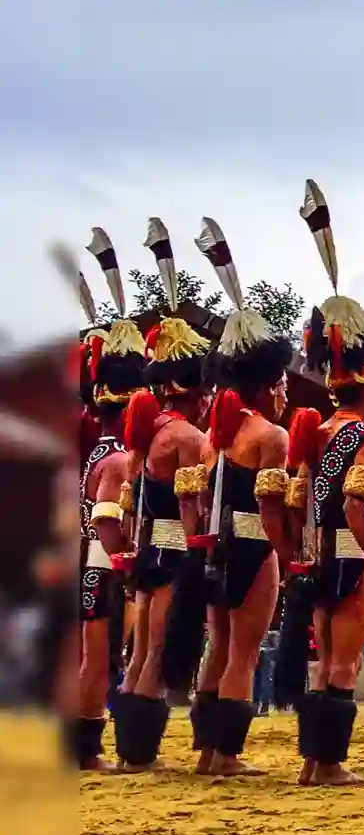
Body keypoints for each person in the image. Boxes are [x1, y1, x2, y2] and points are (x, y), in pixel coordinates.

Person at [285, 179, 364, 786]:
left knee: (323, 659)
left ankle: (310, 762)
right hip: (351, 558)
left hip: (314, 557)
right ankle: (329, 765)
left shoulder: (315, 432)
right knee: (344, 662)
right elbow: (356, 506)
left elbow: (300, 499)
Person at [186, 220, 300, 776]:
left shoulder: (216, 438)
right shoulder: (269, 438)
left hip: (215, 549)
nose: (286, 393)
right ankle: (227, 754)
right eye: (282, 383)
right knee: (243, 653)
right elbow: (272, 508)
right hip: (254, 549)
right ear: (270, 383)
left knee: (219, 645)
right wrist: (292, 552)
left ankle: (207, 750)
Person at [112, 219, 215, 773]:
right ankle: (139, 752)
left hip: (149, 551)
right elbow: (195, 506)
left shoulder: (146, 436)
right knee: (152, 654)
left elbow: (132, 504)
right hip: (175, 553)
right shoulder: (187, 438)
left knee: (139, 654)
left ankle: (131, 750)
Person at [62, 235, 145, 770]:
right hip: (101, 566)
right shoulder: (116, 459)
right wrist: (127, 565)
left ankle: (81, 746)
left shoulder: (98, 449)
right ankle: (86, 750)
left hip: (88, 565)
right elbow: (107, 522)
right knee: (98, 660)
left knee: (94, 658)